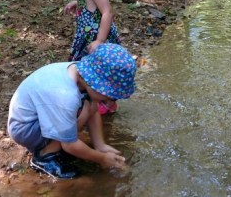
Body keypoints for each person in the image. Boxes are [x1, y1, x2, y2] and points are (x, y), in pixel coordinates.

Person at [7, 43, 137, 179]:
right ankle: (45, 158)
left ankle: (54, 144)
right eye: (110, 95)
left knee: (88, 107)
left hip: (38, 116)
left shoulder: (80, 72)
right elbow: (69, 145)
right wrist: (102, 158)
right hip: (25, 128)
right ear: (95, 84)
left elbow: (94, 110)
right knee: (81, 114)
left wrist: (100, 145)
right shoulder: (66, 95)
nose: (111, 100)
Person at [38, 0, 122, 115]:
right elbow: (92, 3)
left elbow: (107, 12)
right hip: (87, 35)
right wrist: (78, 2)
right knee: (88, 68)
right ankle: (89, 97)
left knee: (98, 68)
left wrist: (100, 40)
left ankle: (105, 102)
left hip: (96, 37)